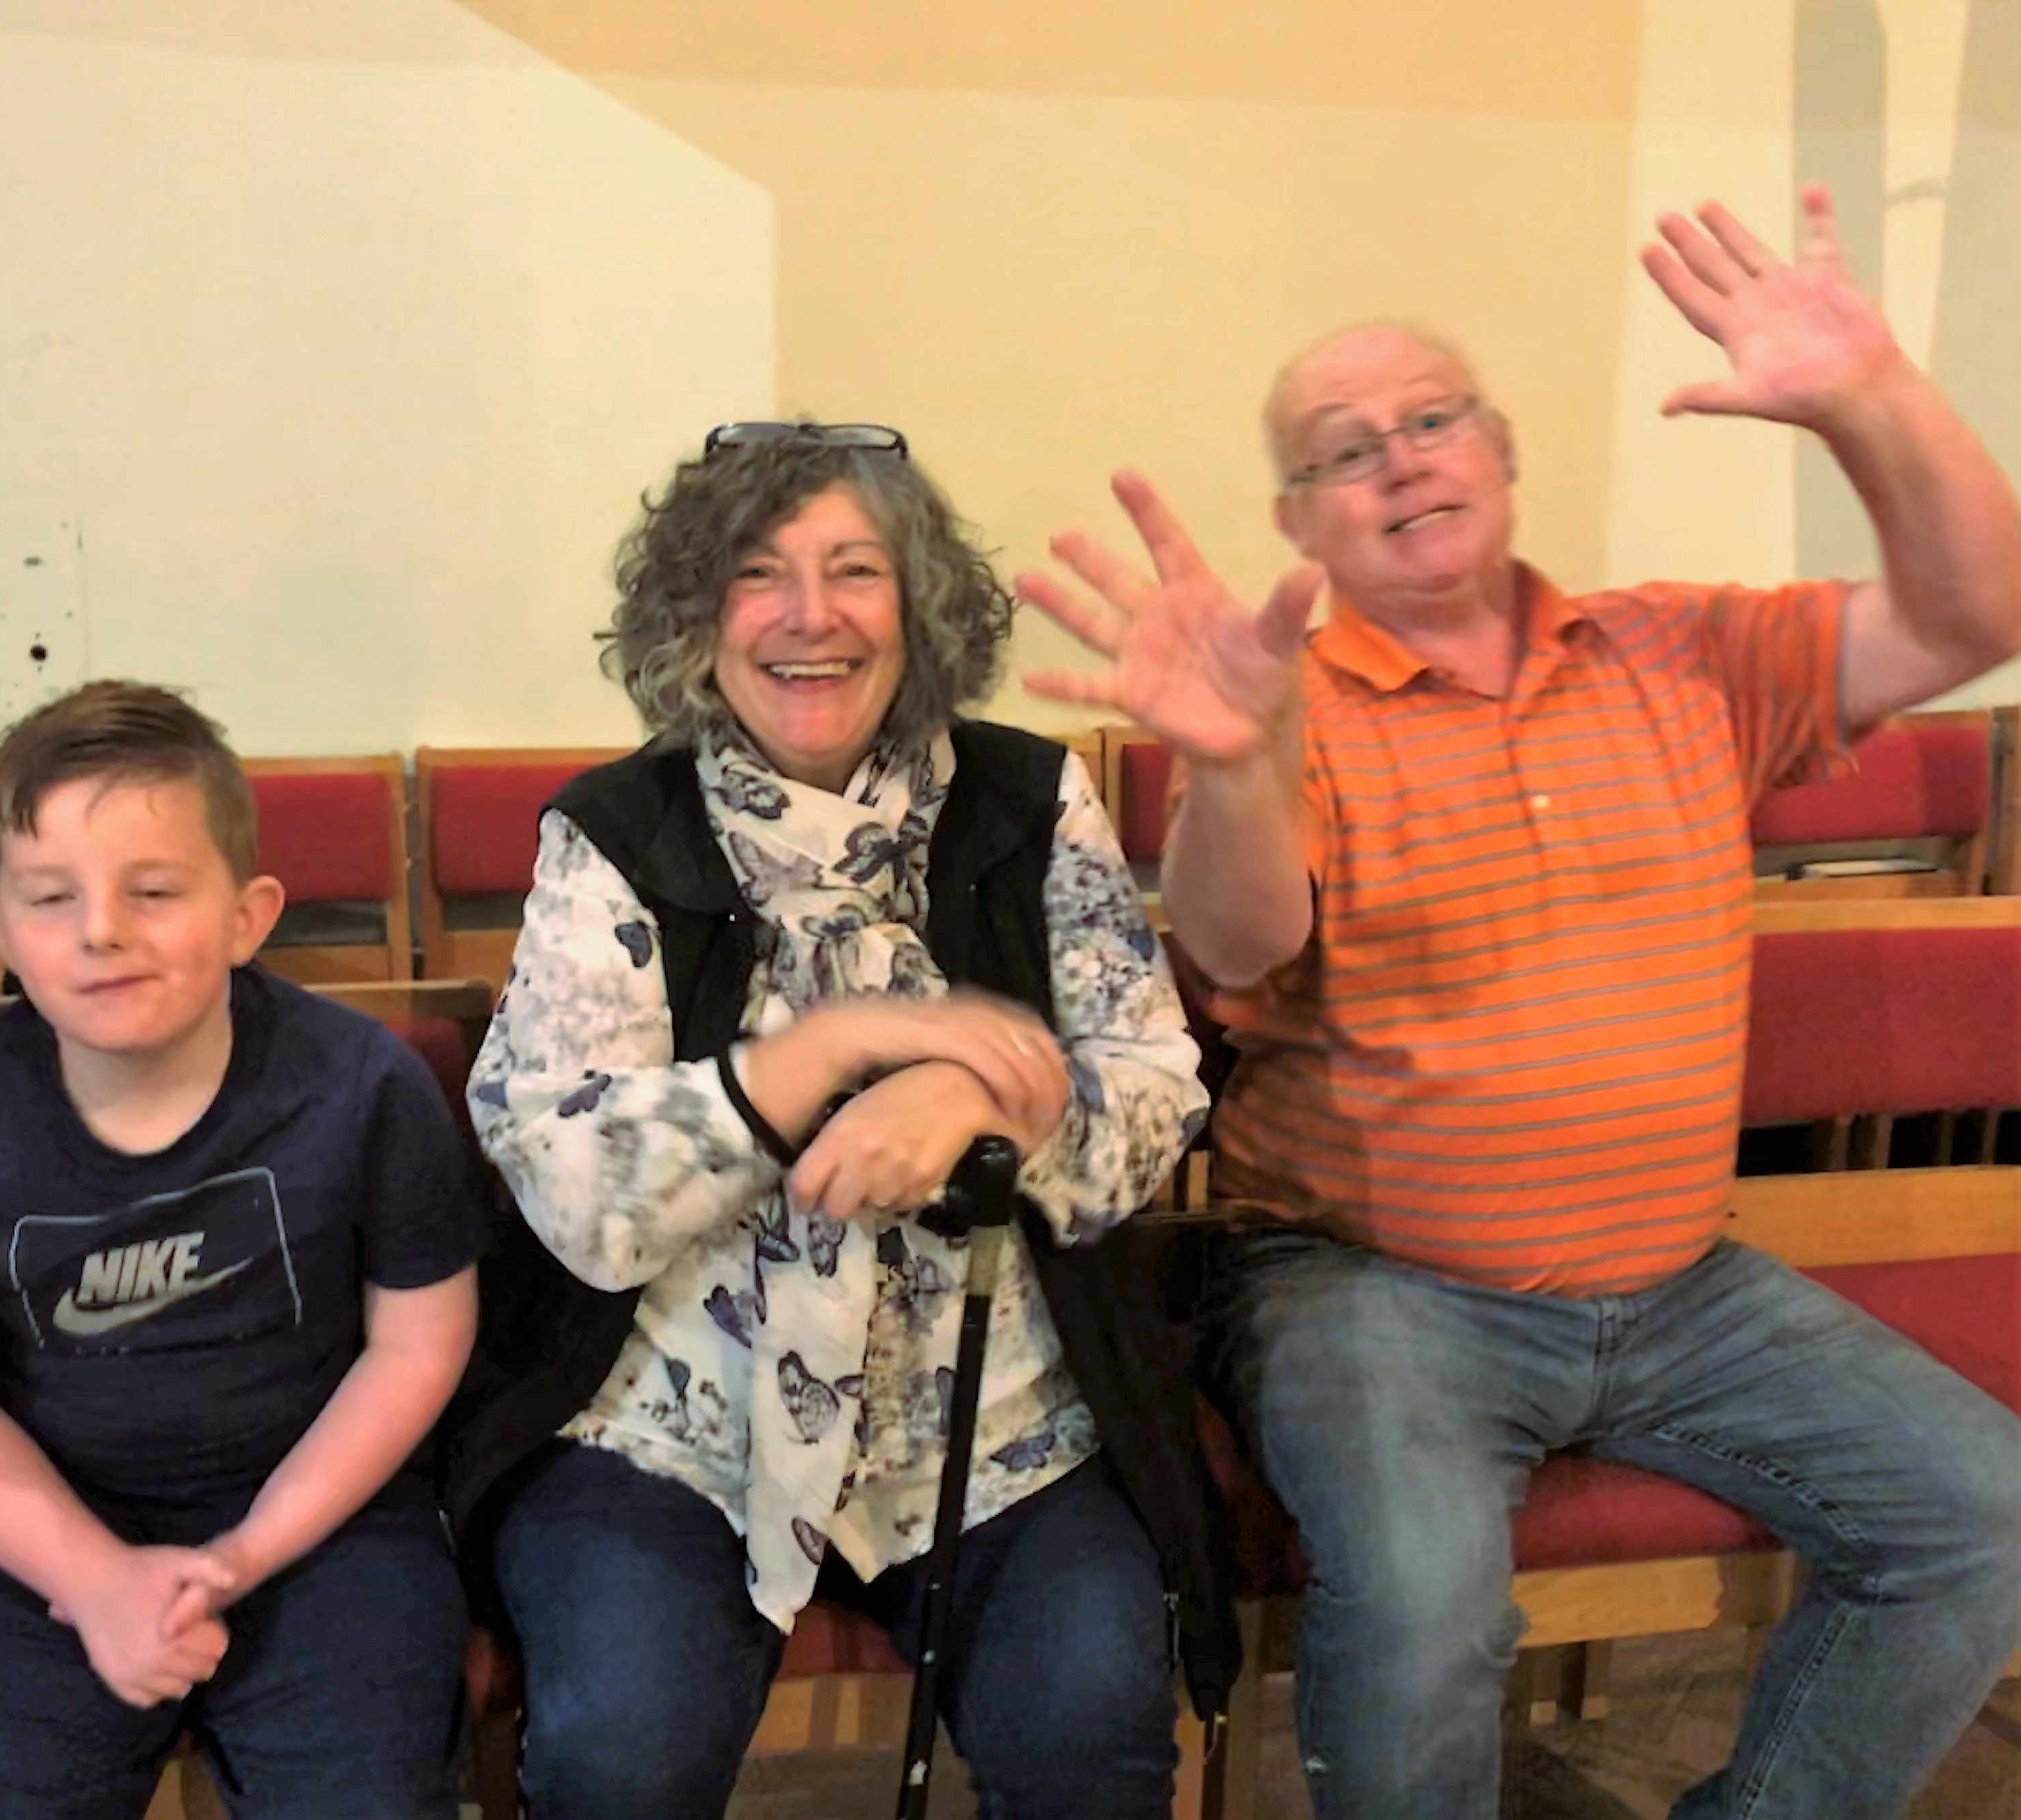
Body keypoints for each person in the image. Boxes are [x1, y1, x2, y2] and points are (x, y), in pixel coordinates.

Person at [1017, 188, 2021, 1819]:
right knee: (1425, 1608)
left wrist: (1870, 397)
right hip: (1371, 1285)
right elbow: (1238, 940)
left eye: (1428, 421)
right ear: (1299, 520)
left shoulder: (1682, 650)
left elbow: (1977, 614)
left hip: (1682, 1282)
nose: (1400, 462)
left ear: (1495, 448)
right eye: (1346, 452)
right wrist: (1234, 762)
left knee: (1981, 1510)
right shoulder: (1288, 700)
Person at [445, 420, 1232, 1820]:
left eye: (855, 569)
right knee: (620, 1759)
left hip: (996, 1412)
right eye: (758, 573)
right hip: (675, 1418)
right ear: (697, 614)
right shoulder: (614, 828)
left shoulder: (1031, 798)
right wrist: (833, 1048)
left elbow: (1156, 1079)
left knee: (1093, 1741)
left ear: (919, 605)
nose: (808, 614)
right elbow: (572, 1182)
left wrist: (987, 1096)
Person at [0, 681, 486, 1820]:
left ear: (248, 914)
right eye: (52, 896)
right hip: (34, 1534)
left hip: (326, 1522)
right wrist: (95, 1577)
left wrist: (243, 1555)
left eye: (152, 890)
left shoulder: (366, 1087)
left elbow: (418, 1347)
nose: (101, 929)